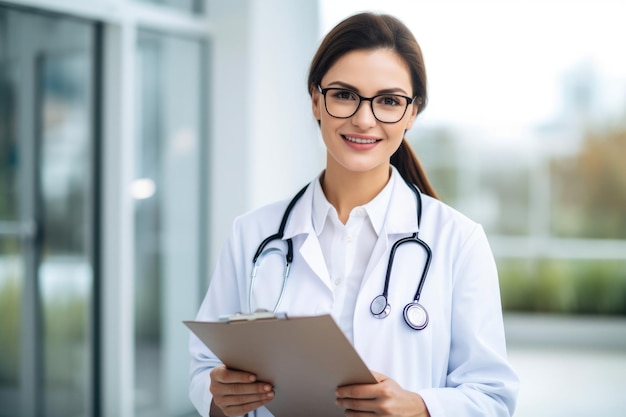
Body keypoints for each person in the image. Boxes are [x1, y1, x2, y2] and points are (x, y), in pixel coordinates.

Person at [189, 11, 519, 417]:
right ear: (316, 100)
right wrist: (220, 399)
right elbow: (204, 371)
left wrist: (419, 407)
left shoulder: (458, 240)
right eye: (345, 94)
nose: (364, 119)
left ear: (412, 113)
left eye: (389, 101)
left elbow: (493, 397)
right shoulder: (253, 234)